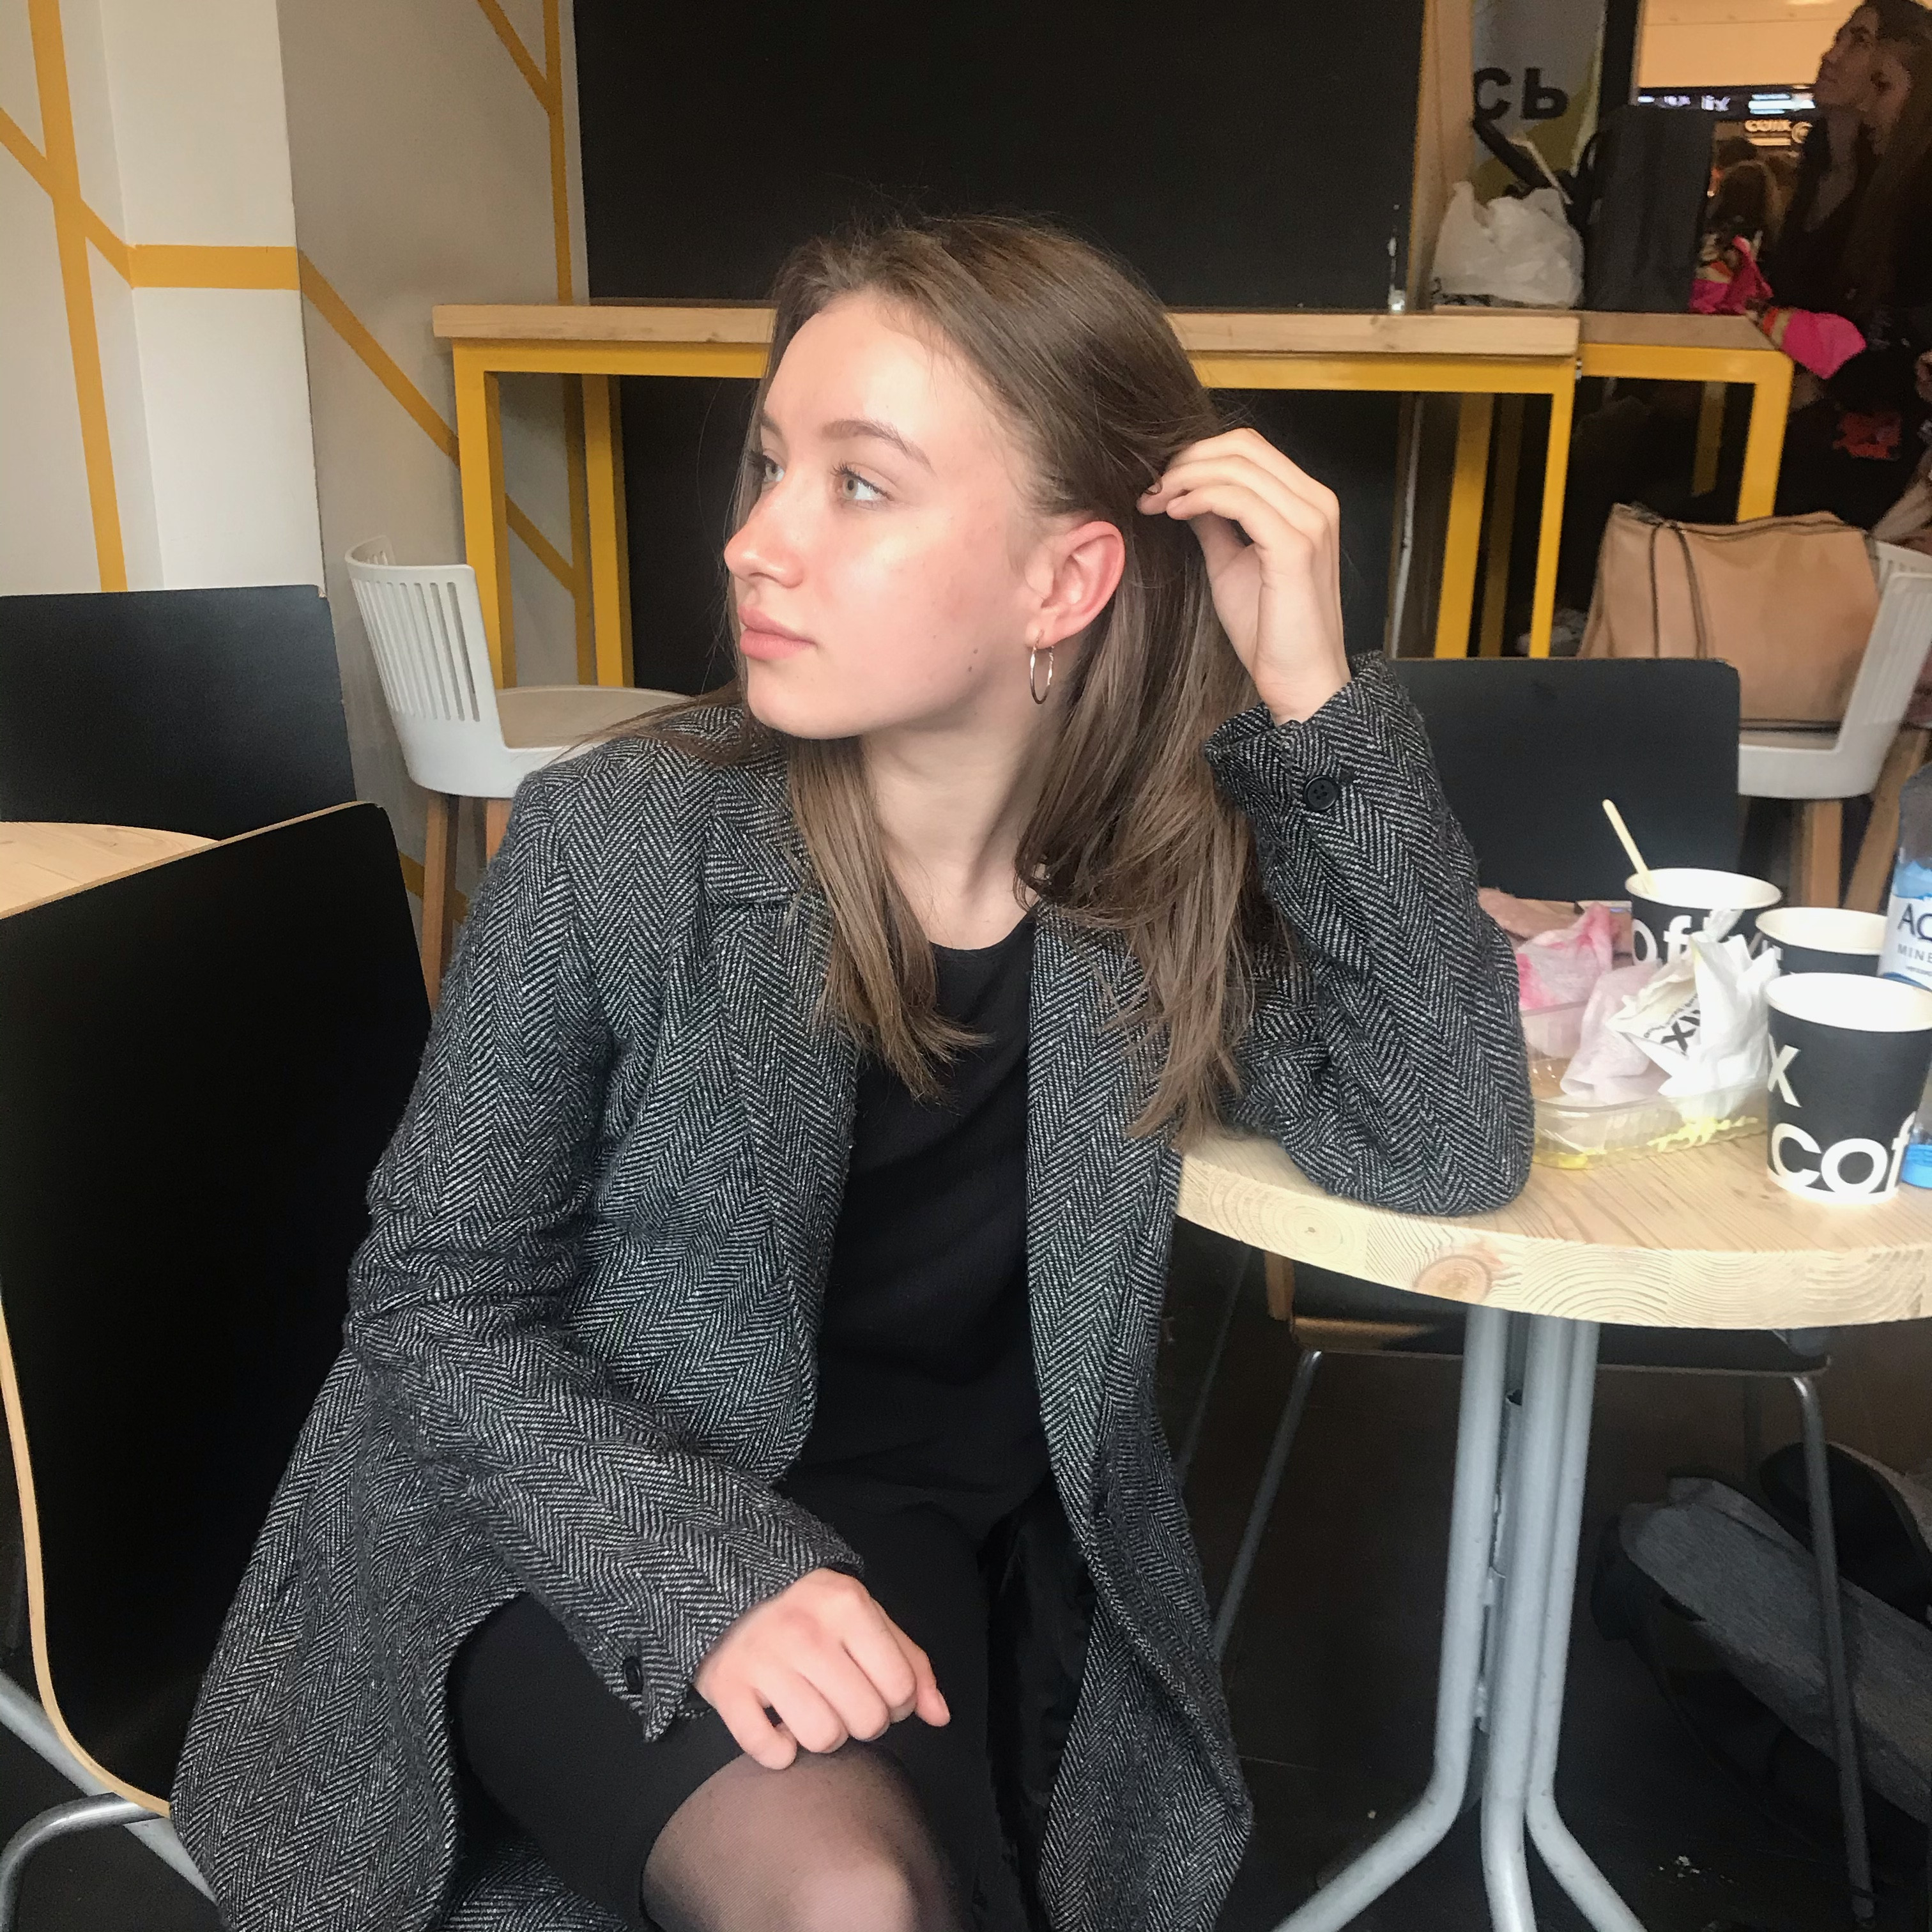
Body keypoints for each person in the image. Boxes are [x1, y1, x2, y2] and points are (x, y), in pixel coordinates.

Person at [168, 217, 1532, 1932]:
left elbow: (1445, 1143)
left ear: (1065, 584)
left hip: (913, 1536)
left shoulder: (1169, 884)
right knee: (848, 1906)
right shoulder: (623, 840)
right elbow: (435, 1308)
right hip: (551, 1519)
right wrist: (710, 1575)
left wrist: (1319, 708)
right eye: (770, 466)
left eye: (859, 486)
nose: (753, 541)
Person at [1779, 15, 1932, 523]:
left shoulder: (1911, 199)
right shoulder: (1845, 179)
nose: (1834, 56)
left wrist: (1828, 383)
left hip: (1880, 450)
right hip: (1864, 433)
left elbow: (1896, 340)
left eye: (1882, 86)